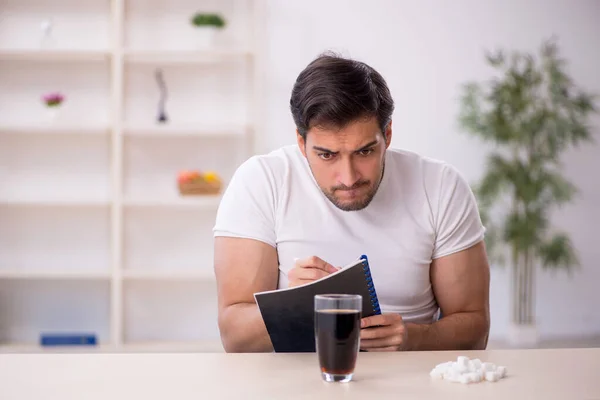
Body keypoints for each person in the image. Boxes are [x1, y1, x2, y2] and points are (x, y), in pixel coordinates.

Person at [213, 52, 490, 353]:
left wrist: (414, 338)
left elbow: (475, 329)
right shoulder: (261, 181)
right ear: (301, 143)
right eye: (327, 155)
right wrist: (294, 303)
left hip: (410, 378)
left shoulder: (440, 186)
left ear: (388, 134)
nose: (347, 177)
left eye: (364, 152)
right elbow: (234, 336)